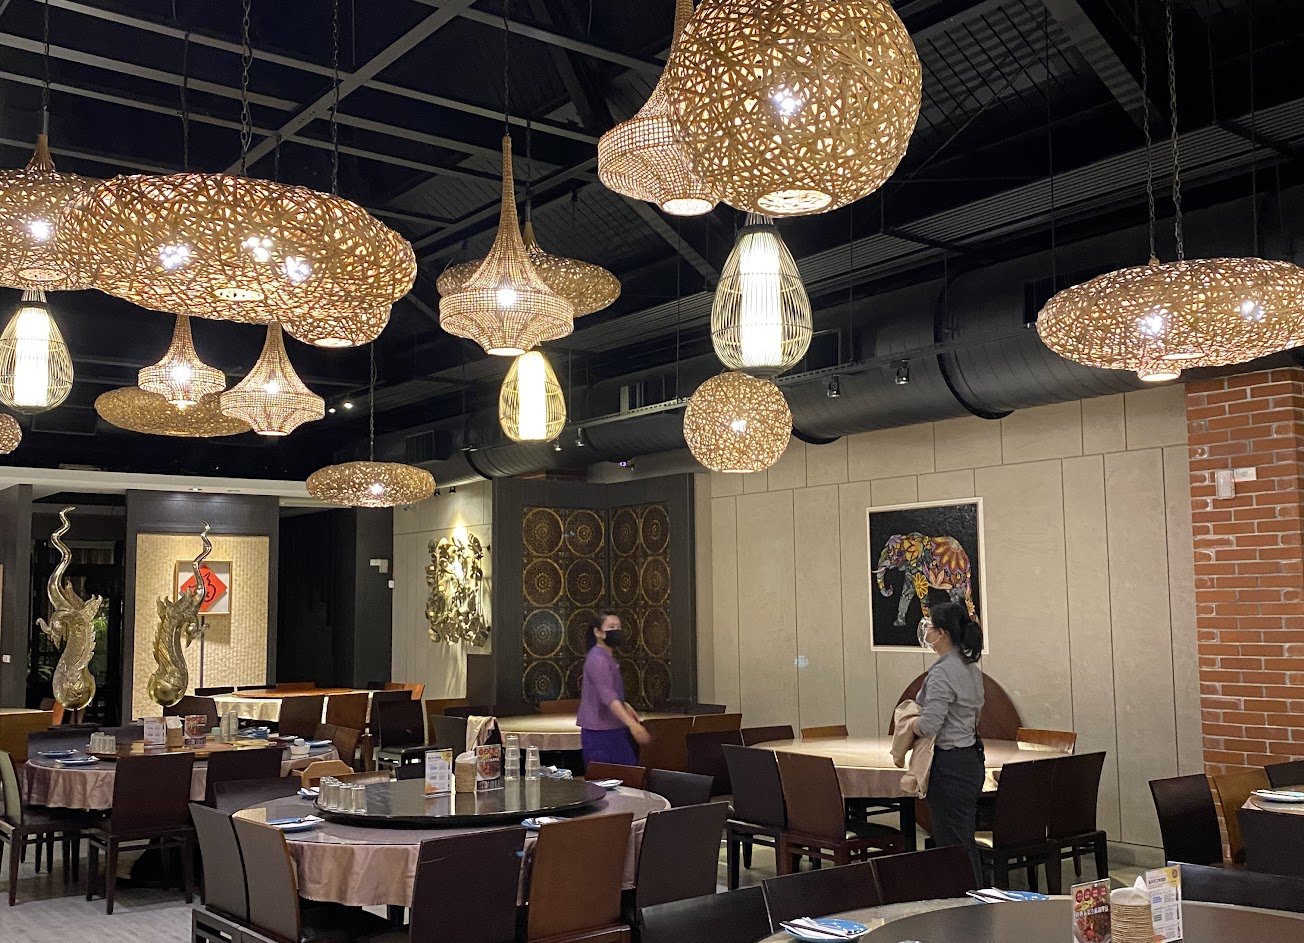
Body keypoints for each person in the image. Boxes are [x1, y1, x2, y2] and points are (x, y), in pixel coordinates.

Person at [915, 600, 986, 884]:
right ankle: (974, 895)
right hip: (970, 759)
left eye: (930, 626)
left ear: (942, 633)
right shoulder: (971, 669)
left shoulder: (943, 672)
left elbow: (930, 724)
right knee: (963, 838)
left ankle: (968, 899)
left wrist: (908, 723)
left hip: (949, 765)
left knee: (953, 843)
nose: (927, 632)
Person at [577, 610, 650, 770]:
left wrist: (626, 706)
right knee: (614, 778)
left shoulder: (605, 657)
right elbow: (608, 697)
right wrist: (633, 725)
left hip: (613, 728)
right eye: (611, 627)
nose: (616, 631)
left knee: (627, 776)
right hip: (601, 733)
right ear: (598, 632)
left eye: (618, 627)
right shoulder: (598, 659)